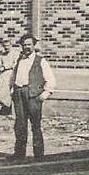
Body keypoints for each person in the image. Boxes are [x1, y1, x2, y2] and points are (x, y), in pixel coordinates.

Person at [9, 32, 56, 160]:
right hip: (19, 95)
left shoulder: (41, 61)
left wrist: (45, 94)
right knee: (20, 125)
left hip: (34, 97)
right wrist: (13, 90)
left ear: (34, 45)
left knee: (35, 125)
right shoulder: (19, 60)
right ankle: (19, 154)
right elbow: (13, 77)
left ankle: (39, 155)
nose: (27, 47)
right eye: (24, 45)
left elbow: (50, 79)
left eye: (29, 44)